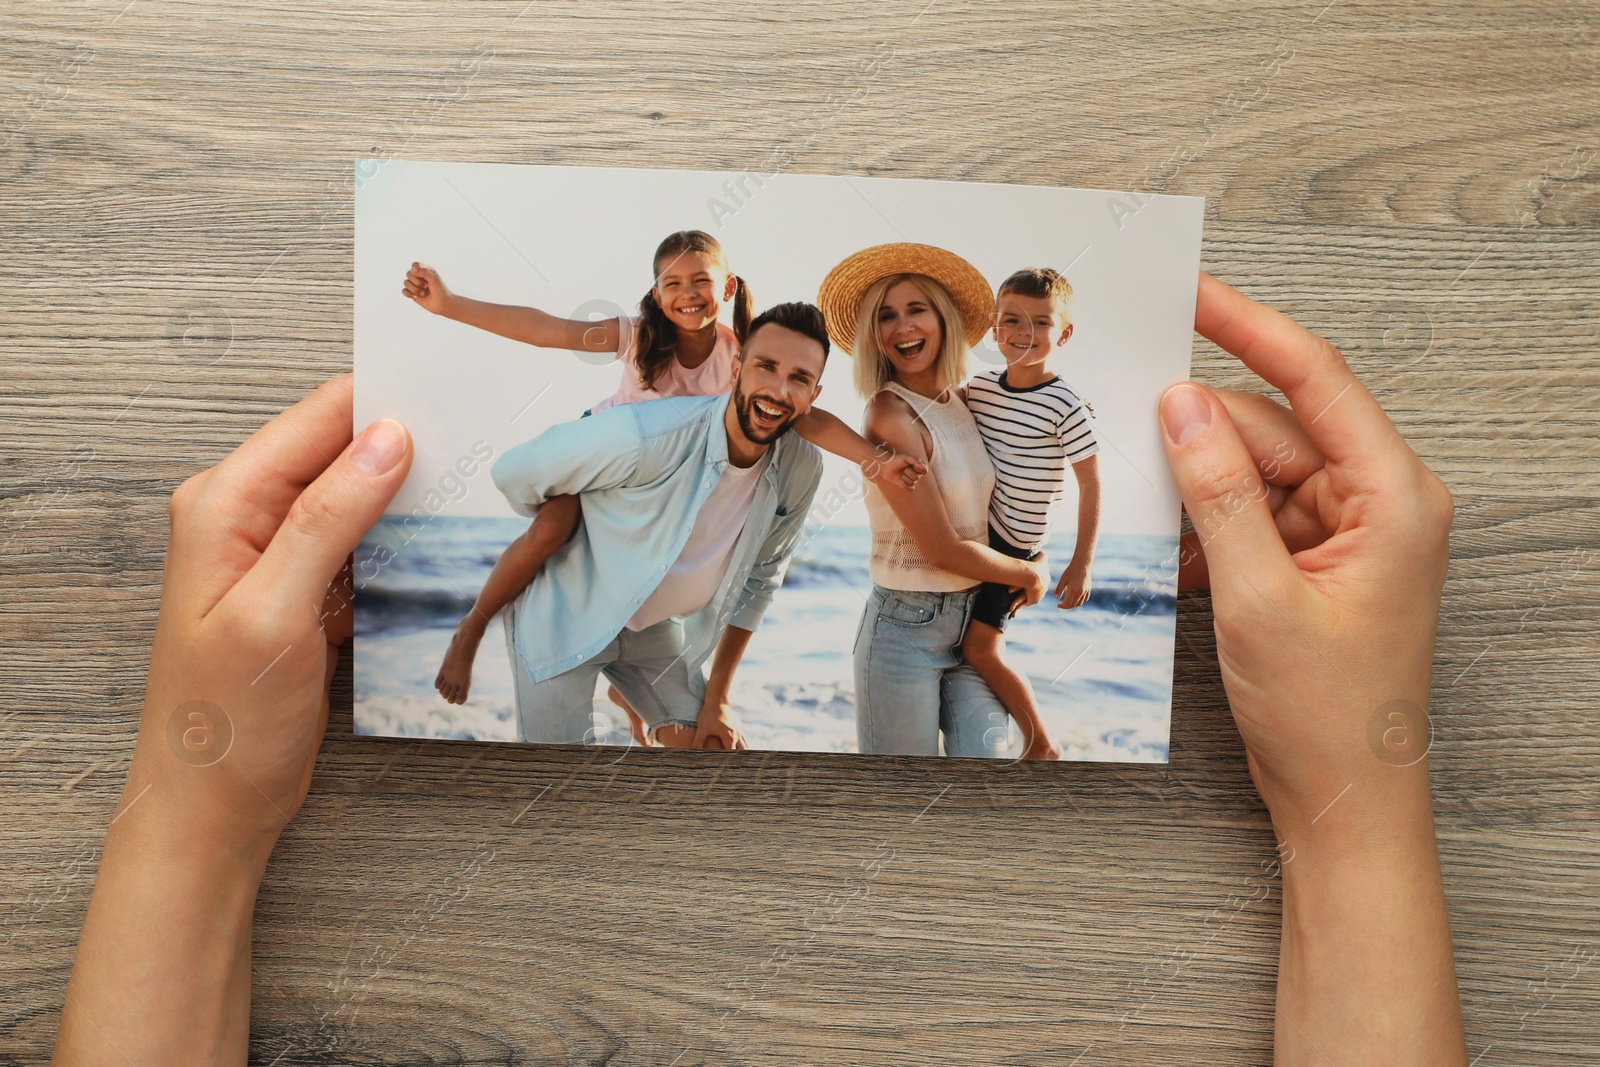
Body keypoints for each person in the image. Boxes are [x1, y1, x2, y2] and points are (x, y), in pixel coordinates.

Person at [49, 274, 1468, 1063]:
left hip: (680, 629)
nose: (788, 390)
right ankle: (581, 672)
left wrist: (197, 822)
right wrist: (476, 622)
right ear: (736, 351)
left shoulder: (827, 447)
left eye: (802, 377)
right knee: (590, 661)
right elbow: (538, 487)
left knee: (685, 700)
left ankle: (652, 693)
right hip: (586, 596)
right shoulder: (656, 411)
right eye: (774, 370)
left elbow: (829, 511)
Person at [403, 232, 924, 715]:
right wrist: (449, 304)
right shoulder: (636, 336)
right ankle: (471, 629)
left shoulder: (744, 353)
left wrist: (874, 462)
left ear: (728, 287)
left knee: (678, 562)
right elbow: (547, 331)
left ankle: (635, 686)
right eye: (672, 283)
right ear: (655, 292)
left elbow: (806, 415)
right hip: (605, 462)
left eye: (701, 281)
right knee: (550, 531)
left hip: (668, 483)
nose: (688, 294)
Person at [489, 300, 829, 750]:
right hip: (565, 611)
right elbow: (514, 472)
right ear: (737, 367)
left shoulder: (800, 467)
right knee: (557, 787)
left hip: (652, 630)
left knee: (714, 749)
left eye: (799, 378)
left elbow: (760, 581)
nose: (778, 390)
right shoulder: (646, 435)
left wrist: (719, 701)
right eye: (766, 366)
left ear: (813, 396)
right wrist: (562, 519)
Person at [816, 242, 1048, 758]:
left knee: (983, 782)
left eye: (916, 310)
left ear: (941, 318)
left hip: (972, 631)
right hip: (904, 635)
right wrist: (1028, 575)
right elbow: (942, 549)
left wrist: (1036, 553)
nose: (903, 328)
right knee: (899, 804)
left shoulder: (962, 402)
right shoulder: (890, 417)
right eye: (886, 316)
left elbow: (1002, 505)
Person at [958, 266, 1103, 761]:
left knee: (980, 649)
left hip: (1015, 543)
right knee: (962, 638)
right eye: (1012, 321)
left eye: (1041, 323)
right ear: (994, 330)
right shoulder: (980, 387)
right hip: (978, 531)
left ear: (1062, 333)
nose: (1025, 333)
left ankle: (1041, 741)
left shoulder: (1066, 403)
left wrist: (1081, 561)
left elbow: (1091, 484)